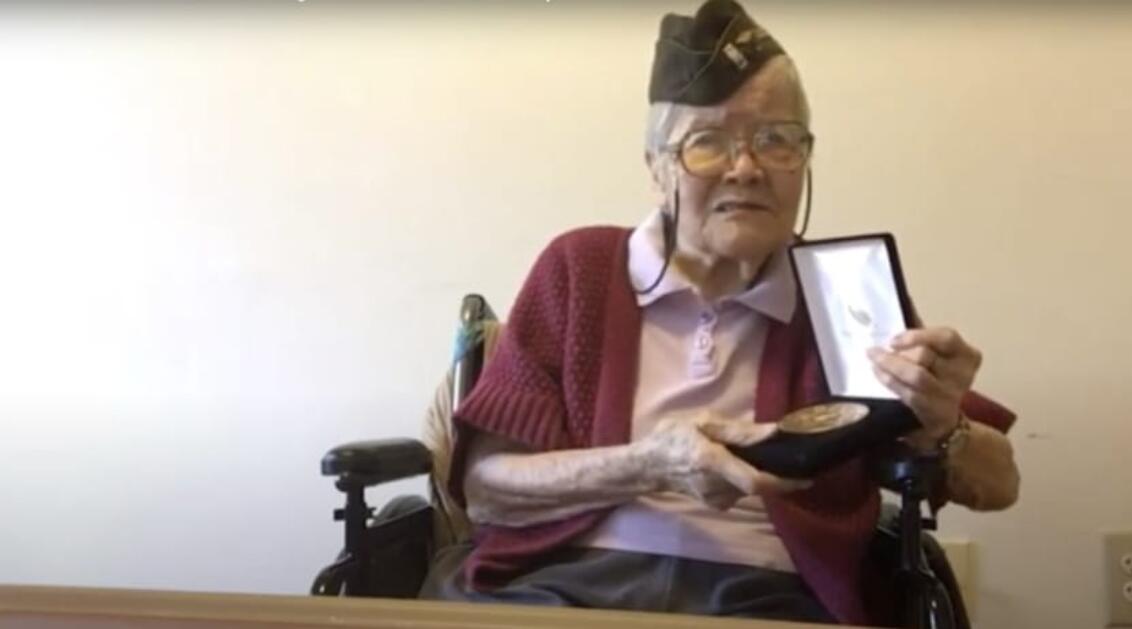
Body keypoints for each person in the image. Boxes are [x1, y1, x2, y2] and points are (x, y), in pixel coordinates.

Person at [419, 1, 1019, 625]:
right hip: (560, 583)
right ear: (657, 167)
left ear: (805, 160)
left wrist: (944, 422)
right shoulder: (580, 268)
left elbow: (1000, 485)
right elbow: (487, 492)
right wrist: (648, 463)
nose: (747, 167)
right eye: (708, 143)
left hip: (767, 595)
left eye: (777, 140)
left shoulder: (843, 292)